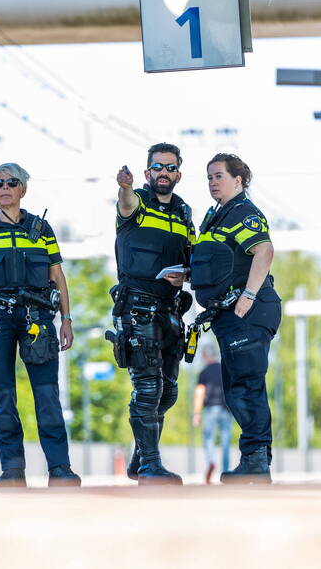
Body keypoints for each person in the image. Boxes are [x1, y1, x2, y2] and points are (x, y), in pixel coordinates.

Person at [0, 163, 81, 488]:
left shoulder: (42, 228)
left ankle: (60, 469)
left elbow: (57, 275)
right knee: (2, 395)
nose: (4, 187)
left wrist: (66, 319)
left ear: (23, 189)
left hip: (37, 318)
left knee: (47, 394)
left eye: (12, 182)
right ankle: (12, 470)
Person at [190, 153, 281, 483]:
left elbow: (264, 251)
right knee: (237, 388)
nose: (213, 182)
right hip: (229, 315)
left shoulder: (242, 212)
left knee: (246, 385)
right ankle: (253, 459)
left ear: (239, 180)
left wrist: (248, 295)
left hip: (248, 311)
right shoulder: (216, 218)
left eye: (219, 176)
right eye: (209, 177)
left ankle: (256, 461)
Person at [112, 143, 195, 485]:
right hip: (137, 308)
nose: (164, 172)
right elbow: (126, 203)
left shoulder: (185, 212)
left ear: (178, 173)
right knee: (147, 388)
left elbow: (194, 257)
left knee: (169, 391)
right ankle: (150, 464)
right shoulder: (138, 202)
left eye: (170, 167)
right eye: (158, 167)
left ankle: (140, 458)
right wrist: (125, 187)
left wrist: (187, 275)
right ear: (148, 173)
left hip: (171, 311)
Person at [192, 345, 232, 484]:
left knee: (208, 438)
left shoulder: (204, 372)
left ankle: (211, 461)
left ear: (205, 356)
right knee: (225, 441)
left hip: (210, 409)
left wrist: (196, 413)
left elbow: (200, 393)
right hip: (226, 409)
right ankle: (226, 472)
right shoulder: (225, 369)